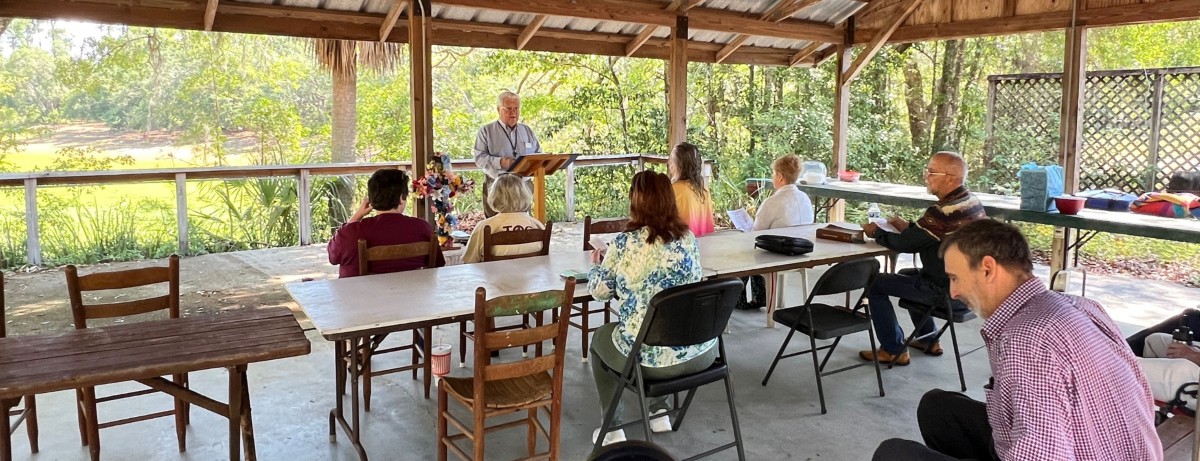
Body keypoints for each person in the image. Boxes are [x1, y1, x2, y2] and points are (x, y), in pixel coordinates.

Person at [873, 219, 1162, 461]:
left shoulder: (1027, 339)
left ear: (988, 269)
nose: (953, 293)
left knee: (893, 454)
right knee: (937, 407)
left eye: (955, 278)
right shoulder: (1082, 306)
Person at [587, 171, 709, 446]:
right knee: (665, 322)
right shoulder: (688, 238)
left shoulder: (625, 243)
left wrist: (597, 267)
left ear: (635, 200)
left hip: (651, 362)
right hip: (699, 351)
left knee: (601, 339)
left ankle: (612, 428)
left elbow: (600, 292)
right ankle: (660, 411)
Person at [858, 151, 986, 365]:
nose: (926, 176)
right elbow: (929, 235)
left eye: (931, 172)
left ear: (951, 178)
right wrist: (908, 227)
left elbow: (904, 245)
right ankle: (929, 340)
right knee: (906, 274)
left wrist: (876, 232)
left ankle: (892, 349)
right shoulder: (970, 201)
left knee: (875, 283)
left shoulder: (943, 211)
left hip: (949, 293)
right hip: (971, 291)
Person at [327, 168, 445, 278]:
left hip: (361, 293)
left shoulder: (351, 232)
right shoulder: (422, 227)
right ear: (401, 198)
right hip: (413, 293)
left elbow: (333, 257)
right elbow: (438, 264)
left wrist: (357, 215)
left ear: (371, 200)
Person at [738, 154, 815, 310]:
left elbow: (756, 233)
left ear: (780, 176)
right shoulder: (805, 198)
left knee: (743, 251)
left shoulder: (772, 202)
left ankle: (741, 299)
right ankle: (760, 296)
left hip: (779, 253)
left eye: (773, 174)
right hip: (802, 250)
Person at [473, 90, 542, 217]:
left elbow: (539, 154)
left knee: (522, 223)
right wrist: (500, 162)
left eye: (516, 108)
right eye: (509, 108)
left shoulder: (527, 130)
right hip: (497, 186)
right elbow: (479, 158)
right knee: (495, 225)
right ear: (498, 109)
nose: (513, 112)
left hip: (523, 185)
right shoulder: (486, 131)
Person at [461, 173, 545, 264]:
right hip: (532, 272)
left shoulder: (484, 227)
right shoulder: (537, 225)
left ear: (494, 196)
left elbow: (469, 261)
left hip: (495, 273)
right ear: (525, 195)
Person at [668, 142, 715, 237]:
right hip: (706, 242)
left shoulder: (672, 190)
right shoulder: (703, 189)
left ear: (679, 164)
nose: (669, 163)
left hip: (685, 244)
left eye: (672, 159)